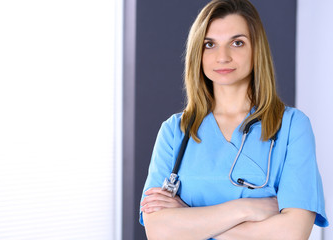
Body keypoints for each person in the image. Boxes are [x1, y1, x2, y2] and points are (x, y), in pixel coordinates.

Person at [139, 0, 329, 239]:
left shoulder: (292, 127)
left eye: (237, 43)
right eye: (210, 44)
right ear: (198, 52)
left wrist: (189, 218)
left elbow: (292, 233)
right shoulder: (175, 131)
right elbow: (158, 231)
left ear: (256, 49)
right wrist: (247, 208)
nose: (223, 57)